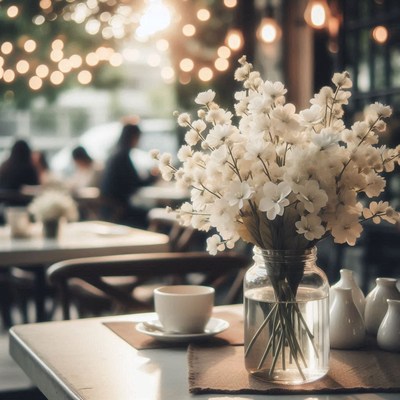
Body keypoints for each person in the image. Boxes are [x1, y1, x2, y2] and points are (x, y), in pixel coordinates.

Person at [100, 123, 156, 227]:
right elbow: (135, 184)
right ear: (133, 137)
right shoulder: (122, 156)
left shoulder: (116, 154)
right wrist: (153, 176)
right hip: (120, 209)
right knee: (154, 213)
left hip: (110, 207)